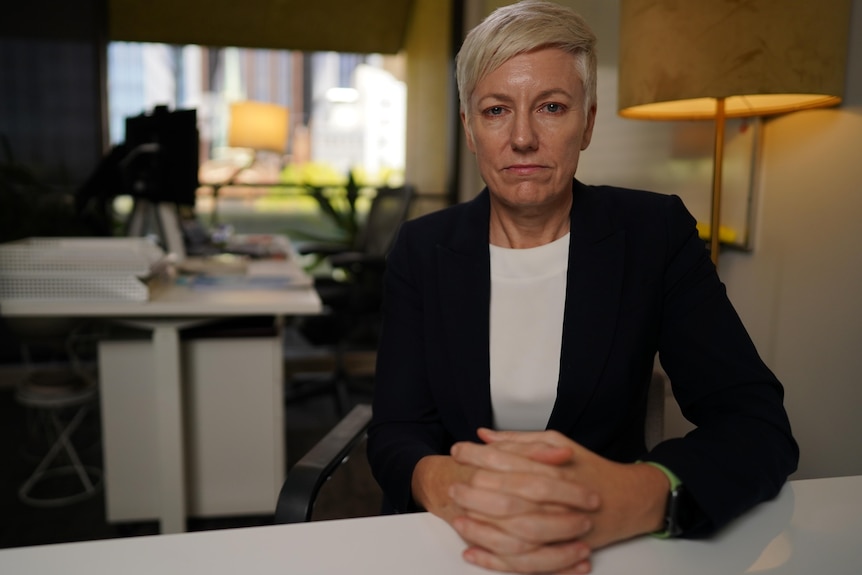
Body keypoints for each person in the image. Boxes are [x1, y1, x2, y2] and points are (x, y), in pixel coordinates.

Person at [366, 1, 798, 573]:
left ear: (587, 122)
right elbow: (397, 430)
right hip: (455, 543)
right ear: (470, 129)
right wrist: (449, 487)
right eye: (496, 110)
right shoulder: (421, 249)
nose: (523, 137)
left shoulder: (654, 234)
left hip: (609, 549)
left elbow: (757, 425)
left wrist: (633, 498)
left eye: (551, 106)